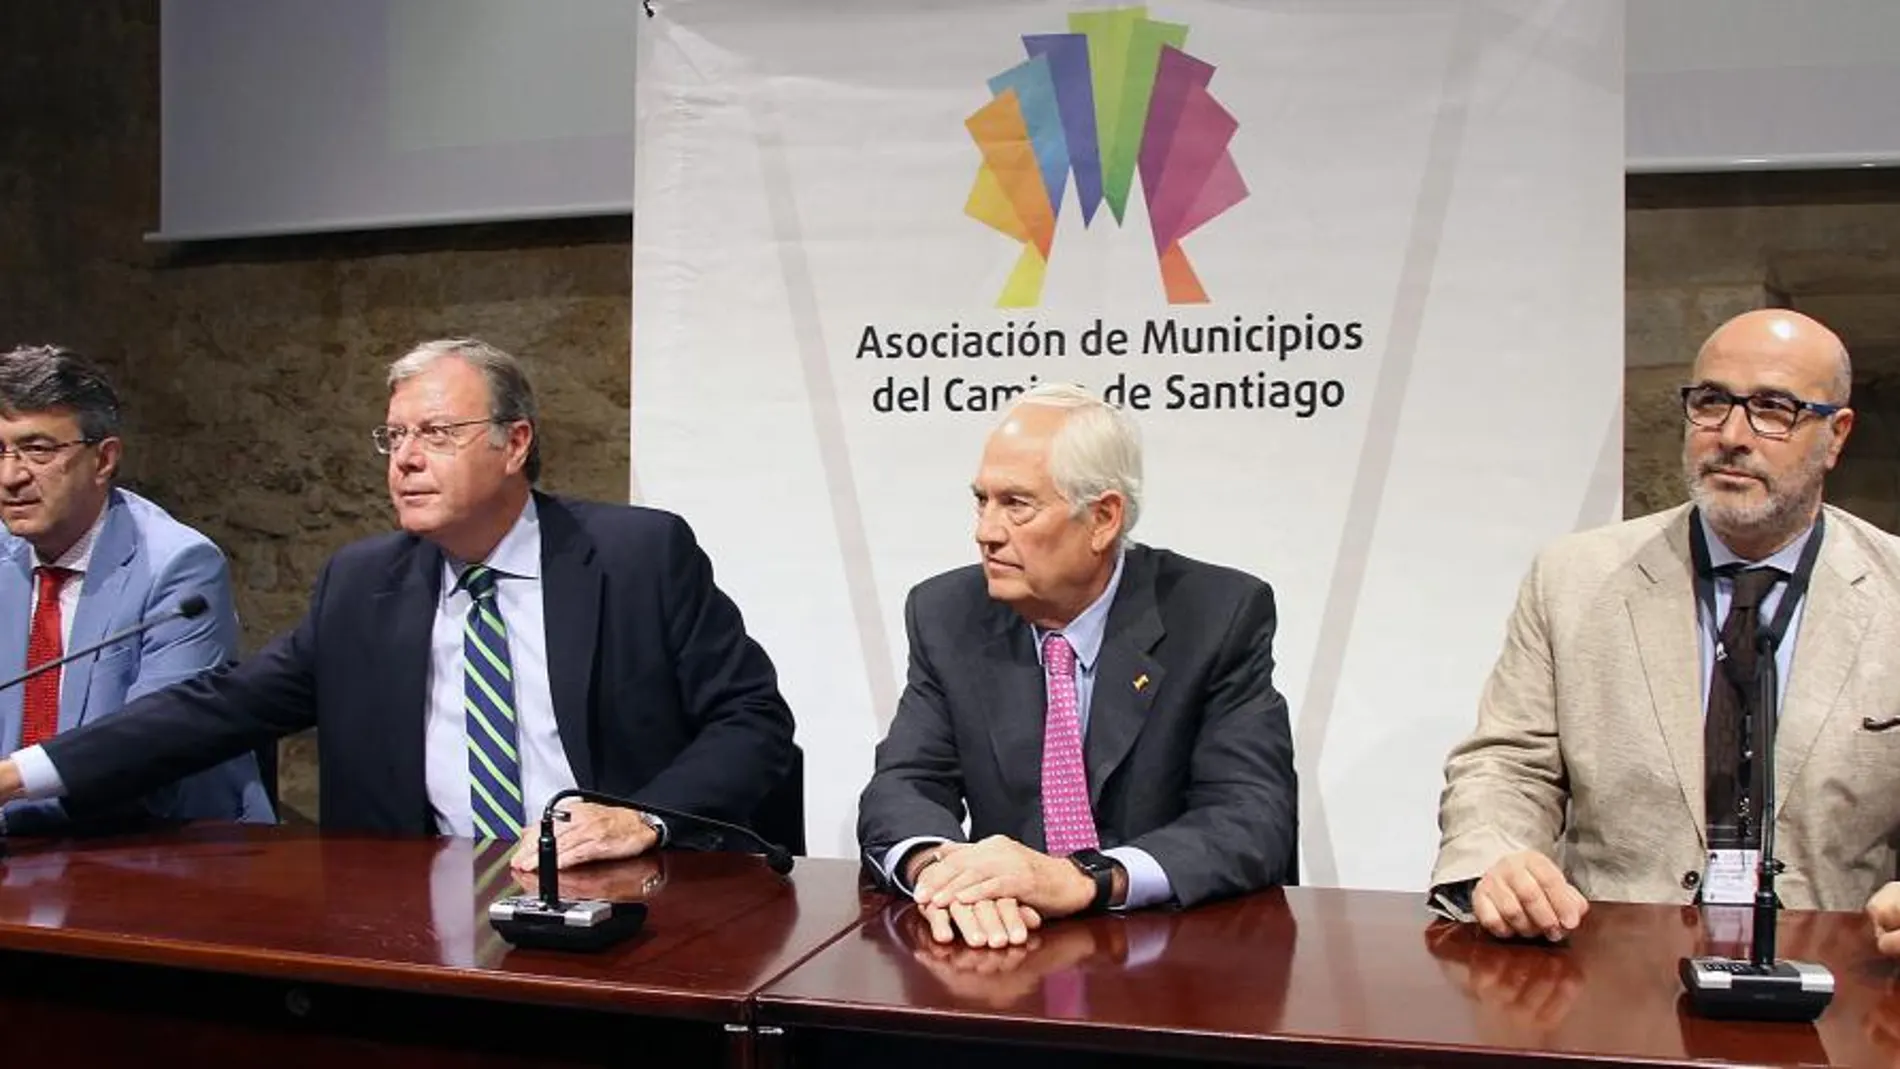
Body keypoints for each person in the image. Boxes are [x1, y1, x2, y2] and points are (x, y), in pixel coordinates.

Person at [0, 338, 794, 870]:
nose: (406, 460)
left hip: (622, 895)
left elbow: (753, 723)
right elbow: (216, 707)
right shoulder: (363, 584)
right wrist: (19, 775)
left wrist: (642, 818)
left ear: (515, 443)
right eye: (393, 438)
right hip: (421, 919)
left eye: (437, 433)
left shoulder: (638, 557)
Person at [1430, 308, 1900, 943]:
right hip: (1613, 972)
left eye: (1772, 409)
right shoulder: (1574, 578)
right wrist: (1496, 858)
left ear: (1836, 435)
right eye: (1711, 402)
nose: (1732, 434)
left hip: (1840, 982)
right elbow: (1508, 764)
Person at [857, 383, 1297, 949]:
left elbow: (1250, 816)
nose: (986, 531)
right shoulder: (947, 614)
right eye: (981, 500)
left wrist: (1086, 878)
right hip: (1006, 948)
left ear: (1104, 519)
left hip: (1169, 958)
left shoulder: (1216, 615)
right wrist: (943, 871)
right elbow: (905, 782)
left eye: (1017, 504)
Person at [0, 345, 270, 833]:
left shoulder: (179, 567)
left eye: (38, 450)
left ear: (103, 460)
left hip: (163, 849)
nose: (11, 477)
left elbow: (150, 754)